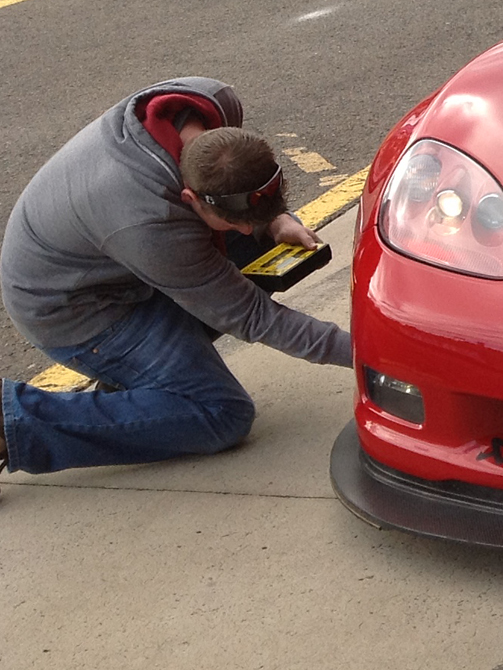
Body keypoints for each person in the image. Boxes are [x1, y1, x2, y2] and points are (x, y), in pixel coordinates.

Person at [0, 79, 349, 475]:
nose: (243, 231)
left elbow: (245, 198)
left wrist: (275, 220)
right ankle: (13, 421)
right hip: (73, 310)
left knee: (265, 244)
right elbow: (252, 317)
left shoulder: (213, 100)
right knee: (221, 413)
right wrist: (371, 356)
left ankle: (139, 385)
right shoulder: (152, 223)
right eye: (233, 223)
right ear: (189, 198)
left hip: (115, 256)